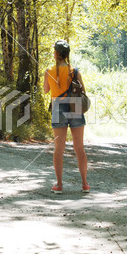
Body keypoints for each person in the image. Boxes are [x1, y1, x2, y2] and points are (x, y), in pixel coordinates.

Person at [43, 40, 89, 194]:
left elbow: (45, 90)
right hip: (75, 105)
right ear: (67, 55)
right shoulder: (75, 71)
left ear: (56, 53)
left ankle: (59, 185)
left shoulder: (49, 71)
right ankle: (84, 184)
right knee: (79, 148)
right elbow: (83, 91)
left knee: (59, 149)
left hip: (58, 107)